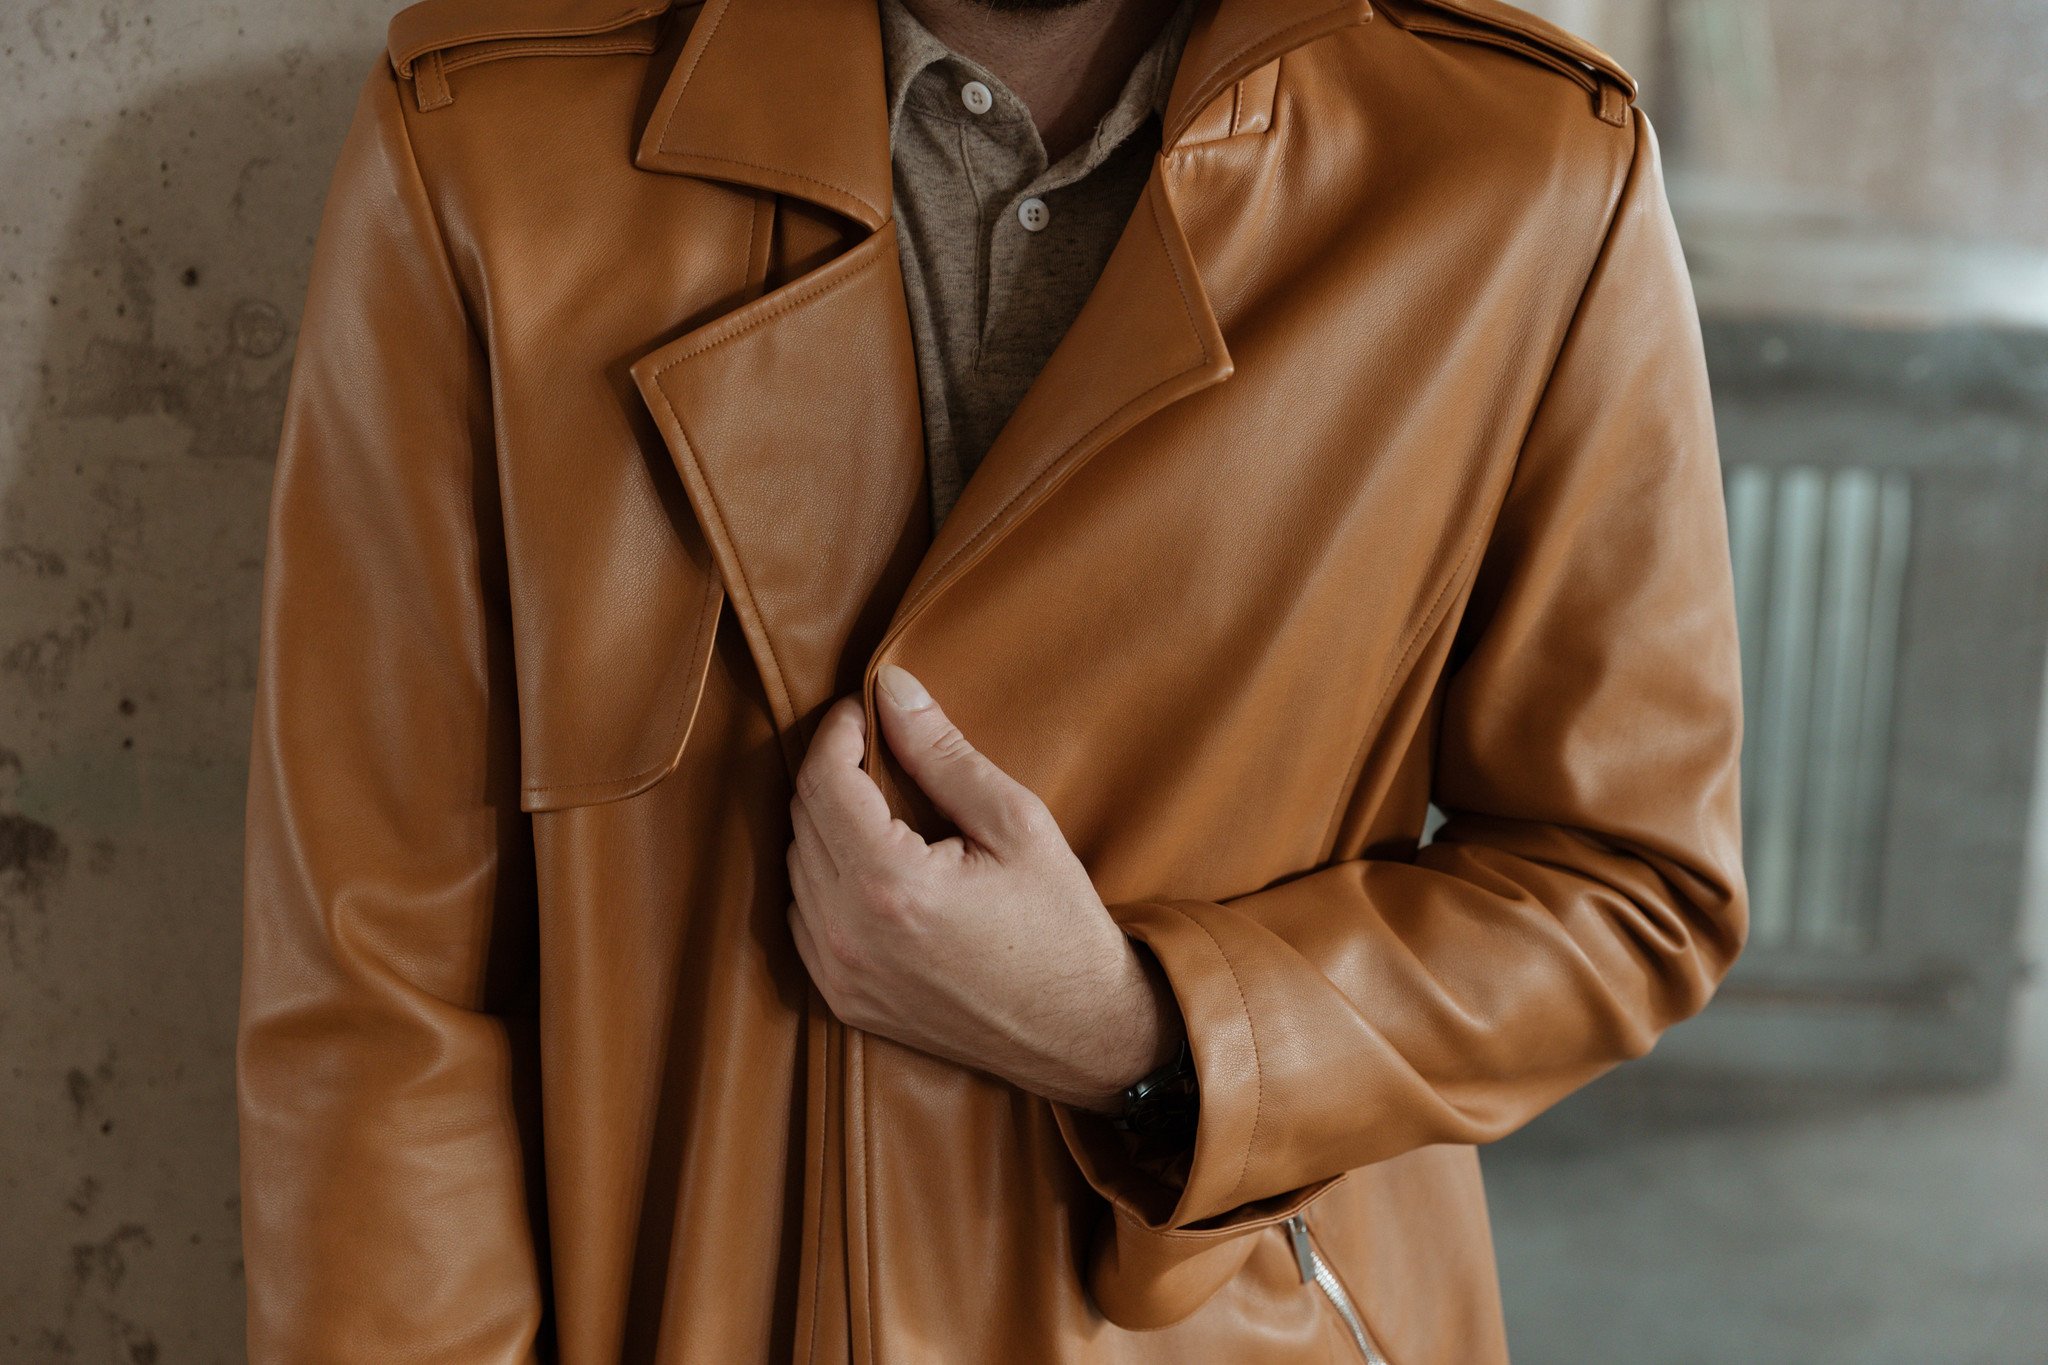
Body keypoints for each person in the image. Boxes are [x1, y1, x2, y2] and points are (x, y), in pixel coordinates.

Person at [236, 0, 1750, 1358]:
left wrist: (1148, 1033)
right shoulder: (495, 137)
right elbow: (381, 995)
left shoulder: (1519, 168)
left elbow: (1628, 878)